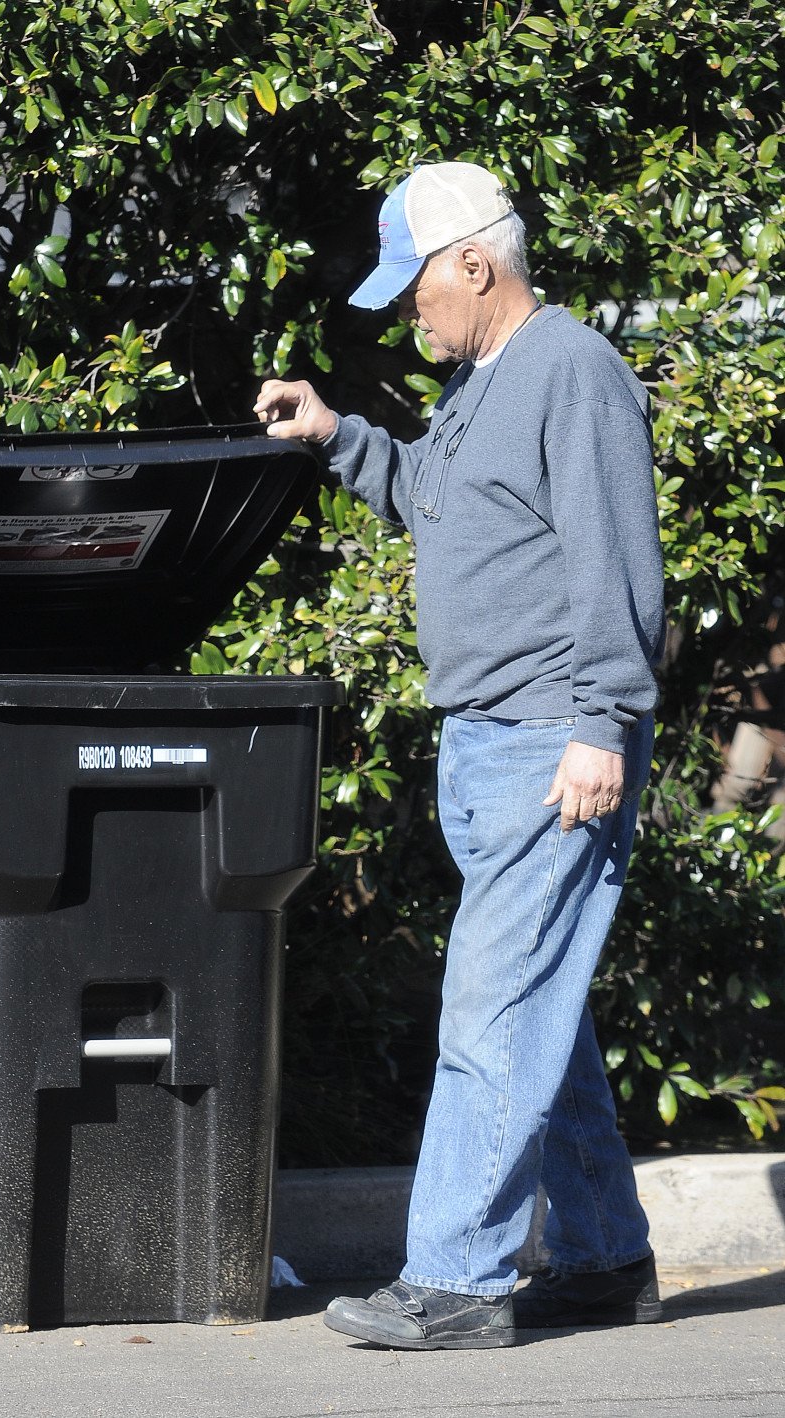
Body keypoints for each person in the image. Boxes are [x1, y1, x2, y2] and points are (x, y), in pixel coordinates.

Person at [254, 161, 667, 1352]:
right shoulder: (486, 382)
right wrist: (336, 436)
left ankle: (456, 1276)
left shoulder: (570, 370)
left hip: (552, 738)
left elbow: (615, 565)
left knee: (489, 1010)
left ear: (475, 267)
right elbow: (439, 497)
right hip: (493, 742)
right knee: (542, 1011)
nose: (406, 312)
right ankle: (602, 1260)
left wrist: (601, 724)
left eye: (416, 290)